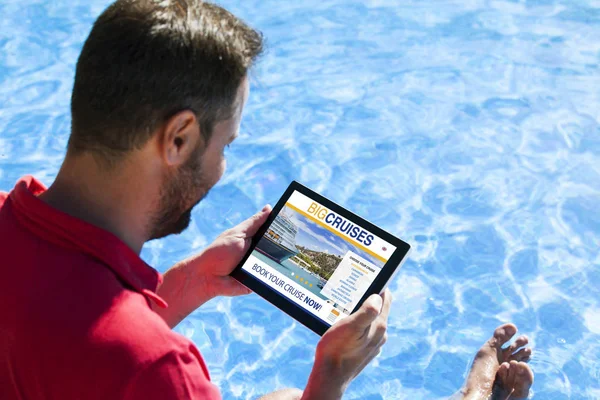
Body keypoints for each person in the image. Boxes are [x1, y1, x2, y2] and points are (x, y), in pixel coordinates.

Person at [0, 1, 533, 399]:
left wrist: (192, 281)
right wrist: (330, 377)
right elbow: (119, 358)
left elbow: (79, 348)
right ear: (179, 138)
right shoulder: (159, 369)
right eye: (225, 144)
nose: (222, 168)